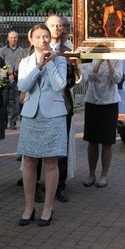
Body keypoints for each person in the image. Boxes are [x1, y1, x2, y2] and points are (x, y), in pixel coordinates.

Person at [16, 24, 67, 226]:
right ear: (31, 39)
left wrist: (50, 63)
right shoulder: (26, 62)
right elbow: (23, 86)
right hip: (31, 115)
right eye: (38, 37)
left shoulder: (60, 60)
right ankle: (29, 207)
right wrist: (38, 66)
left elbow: (59, 85)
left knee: (51, 162)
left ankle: (48, 207)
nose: (43, 40)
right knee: (29, 162)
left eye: (46, 36)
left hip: (53, 115)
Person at [46, 14, 78, 202]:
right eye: (53, 25)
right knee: (43, 145)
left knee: (61, 146)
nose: (57, 28)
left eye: (59, 25)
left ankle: (60, 186)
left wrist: (71, 69)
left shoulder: (69, 51)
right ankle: (41, 183)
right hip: (43, 104)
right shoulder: (38, 48)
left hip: (63, 102)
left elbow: (74, 81)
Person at [80, 57, 123, 189]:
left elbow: (117, 79)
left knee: (107, 141)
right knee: (92, 140)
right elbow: (88, 77)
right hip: (92, 101)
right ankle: (91, 174)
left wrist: (109, 62)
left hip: (110, 102)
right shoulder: (90, 56)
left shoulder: (117, 59)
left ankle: (104, 174)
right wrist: (98, 62)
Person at [0, 30, 23, 130]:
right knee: (4, 102)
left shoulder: (21, 51)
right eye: (11, 37)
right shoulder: (3, 50)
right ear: (8, 38)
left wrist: (14, 73)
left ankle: (13, 122)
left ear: (18, 38)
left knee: (17, 102)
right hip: (5, 79)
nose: (13, 39)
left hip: (17, 79)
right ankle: (4, 122)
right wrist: (8, 72)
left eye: (15, 37)